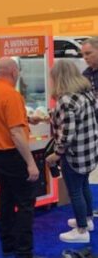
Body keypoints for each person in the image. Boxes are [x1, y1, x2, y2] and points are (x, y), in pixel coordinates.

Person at [0, 57, 42, 258]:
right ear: (14, 72)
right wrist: (31, 163)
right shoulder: (12, 95)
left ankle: (8, 246)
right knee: (25, 204)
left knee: (5, 199)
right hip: (12, 156)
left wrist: (24, 118)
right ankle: (24, 252)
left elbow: (3, 121)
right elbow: (16, 133)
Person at [46, 60, 98, 243]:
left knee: (74, 191)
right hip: (89, 152)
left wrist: (56, 154)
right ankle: (88, 220)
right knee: (84, 186)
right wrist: (51, 116)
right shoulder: (87, 94)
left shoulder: (66, 100)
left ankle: (82, 231)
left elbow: (67, 134)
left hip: (74, 155)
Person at [81, 37, 98, 218]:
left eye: (88, 53)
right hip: (93, 128)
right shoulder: (85, 75)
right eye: (83, 55)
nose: (85, 57)